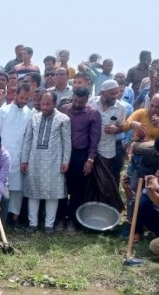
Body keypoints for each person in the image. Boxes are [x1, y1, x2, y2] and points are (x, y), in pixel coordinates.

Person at [20, 92, 71, 233]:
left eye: (48, 104)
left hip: (54, 161)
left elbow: (67, 143)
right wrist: (24, 160)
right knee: (33, 192)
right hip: (34, 160)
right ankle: (33, 223)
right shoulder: (34, 118)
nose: (45, 107)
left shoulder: (63, 119)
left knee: (52, 193)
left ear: (55, 103)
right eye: (43, 104)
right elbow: (28, 140)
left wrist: (65, 161)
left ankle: (49, 224)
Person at [58, 87, 101, 232]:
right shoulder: (64, 109)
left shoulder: (93, 114)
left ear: (87, 100)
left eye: (80, 102)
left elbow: (94, 139)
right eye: (75, 100)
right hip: (62, 153)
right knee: (61, 186)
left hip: (80, 155)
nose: (76, 104)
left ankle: (72, 221)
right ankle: (60, 218)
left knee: (77, 189)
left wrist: (90, 160)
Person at [0, 83, 33, 227]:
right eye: (21, 97)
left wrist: (25, 159)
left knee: (17, 190)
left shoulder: (30, 113)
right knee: (2, 189)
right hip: (2, 156)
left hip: (20, 157)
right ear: (15, 95)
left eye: (27, 98)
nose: (24, 101)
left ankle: (14, 218)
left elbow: (28, 137)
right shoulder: (3, 111)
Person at [90, 80, 128, 181]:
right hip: (89, 147)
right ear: (103, 93)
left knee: (103, 178)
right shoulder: (91, 102)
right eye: (112, 93)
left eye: (117, 92)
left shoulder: (121, 108)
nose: (116, 95)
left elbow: (122, 127)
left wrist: (116, 129)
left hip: (106, 149)